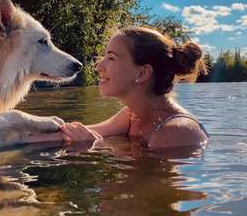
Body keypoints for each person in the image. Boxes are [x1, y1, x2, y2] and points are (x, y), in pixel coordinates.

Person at [29, 26, 208, 149]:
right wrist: (12, 136)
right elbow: (84, 133)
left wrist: (92, 145)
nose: (99, 66)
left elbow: (149, 191)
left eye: (111, 58)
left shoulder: (176, 132)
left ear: (142, 73)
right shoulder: (132, 116)